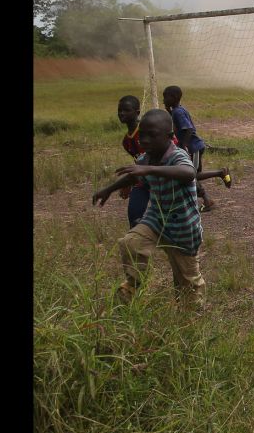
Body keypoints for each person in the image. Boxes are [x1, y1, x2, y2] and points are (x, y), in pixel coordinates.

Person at [93, 109, 206, 307]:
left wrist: (149, 169)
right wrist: (108, 189)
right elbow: (133, 176)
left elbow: (189, 173)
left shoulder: (177, 155)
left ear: (170, 137)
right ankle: (134, 283)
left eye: (151, 135)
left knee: (187, 281)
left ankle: (192, 316)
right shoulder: (147, 157)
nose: (144, 140)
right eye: (142, 135)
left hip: (183, 228)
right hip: (156, 219)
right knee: (131, 242)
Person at [117, 95, 230, 227]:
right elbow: (140, 163)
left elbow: (182, 133)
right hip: (148, 179)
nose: (121, 113)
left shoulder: (155, 130)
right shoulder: (127, 142)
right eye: (119, 110)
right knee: (136, 216)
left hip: (171, 165)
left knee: (189, 177)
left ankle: (210, 191)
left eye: (126, 110)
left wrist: (183, 147)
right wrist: (128, 183)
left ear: (137, 112)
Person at [162, 85, 219, 212]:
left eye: (165, 97)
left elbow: (188, 129)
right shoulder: (177, 110)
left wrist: (184, 146)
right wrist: (169, 112)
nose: (163, 100)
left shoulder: (178, 112)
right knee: (193, 175)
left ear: (174, 97)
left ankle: (208, 198)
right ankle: (206, 198)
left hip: (193, 148)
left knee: (191, 175)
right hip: (192, 148)